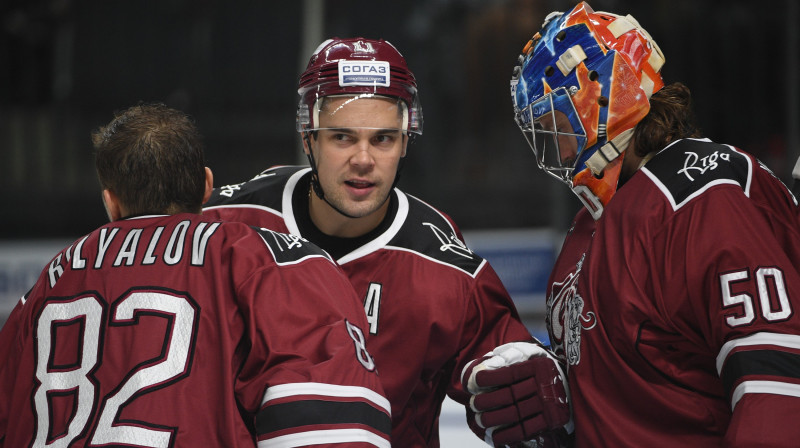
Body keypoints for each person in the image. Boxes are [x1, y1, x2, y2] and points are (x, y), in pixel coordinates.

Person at [203, 38, 571, 446]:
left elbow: (511, 365)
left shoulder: (443, 265)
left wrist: (526, 382)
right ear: (309, 138)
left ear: (405, 141)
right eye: (342, 137)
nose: (363, 159)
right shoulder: (231, 222)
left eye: (383, 139)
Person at [0, 103, 392, 448]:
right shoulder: (260, 258)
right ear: (206, 186)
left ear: (111, 201)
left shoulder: (50, 280)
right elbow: (334, 430)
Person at [505, 2, 800, 446]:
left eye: (558, 126)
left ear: (608, 99)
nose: (561, 154)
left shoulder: (706, 197)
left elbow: (775, 391)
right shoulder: (589, 227)